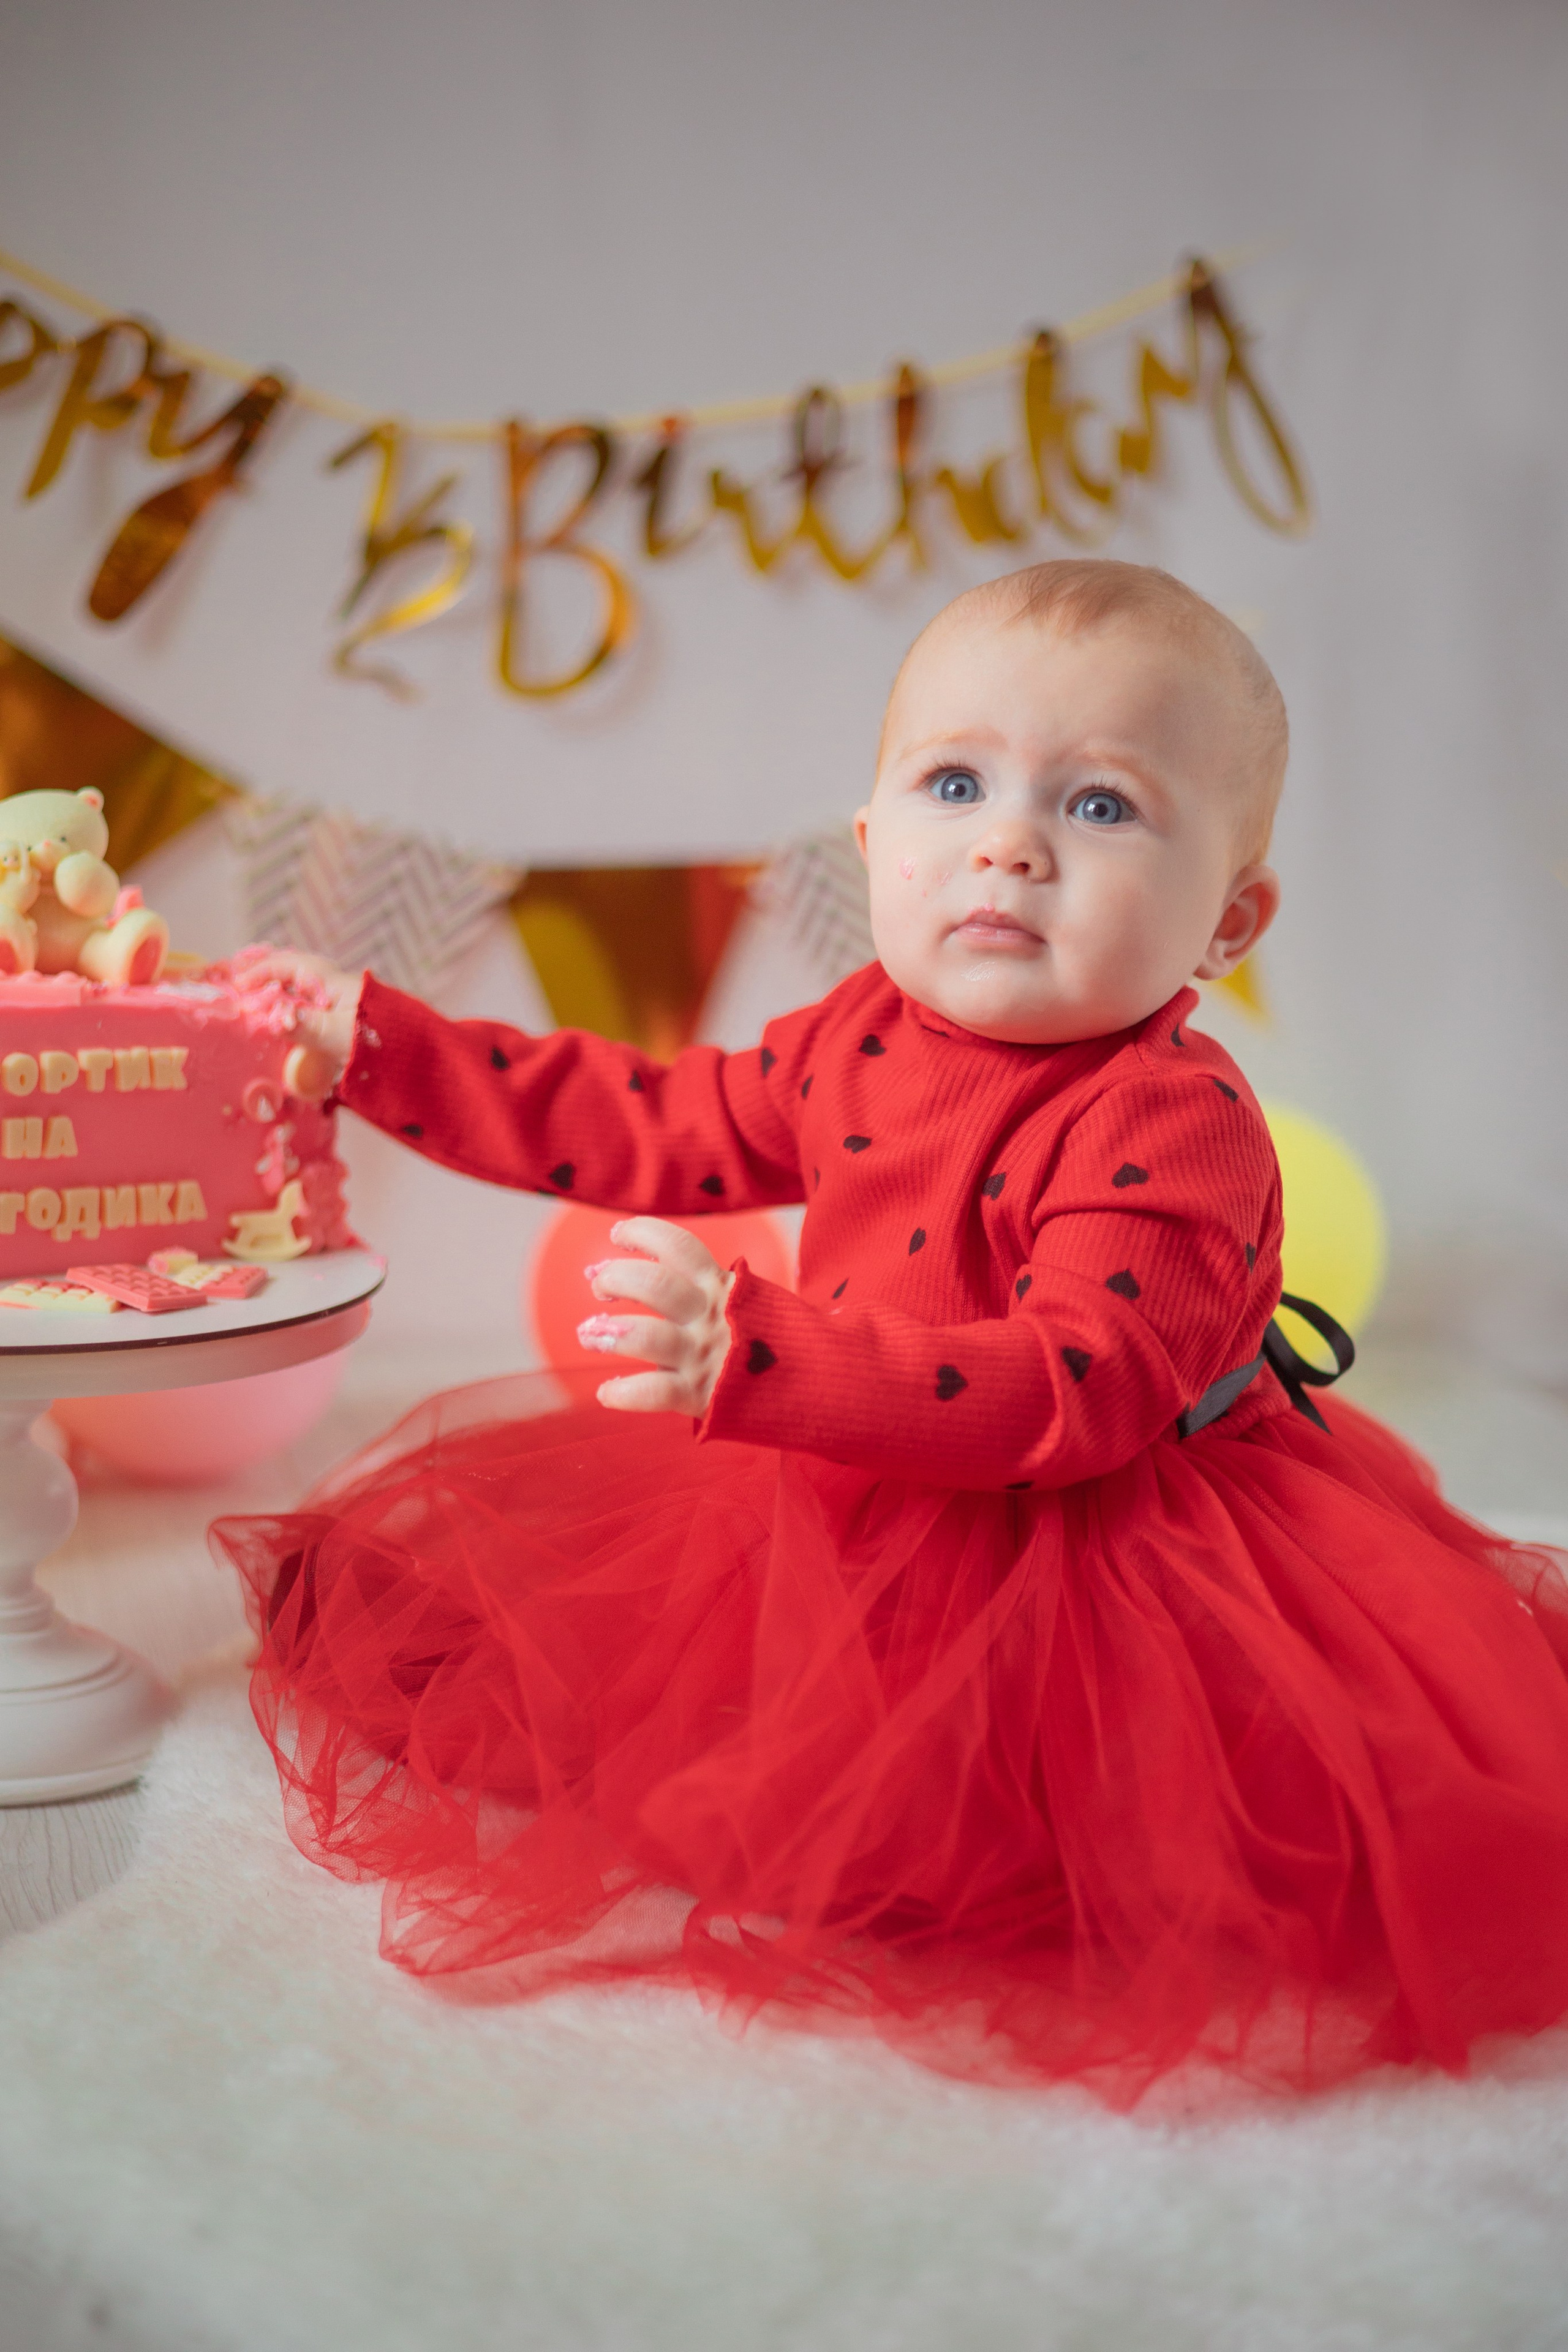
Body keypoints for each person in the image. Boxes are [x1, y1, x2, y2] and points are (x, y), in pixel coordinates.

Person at [214, 559, 1568, 2105]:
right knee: (609, 1689)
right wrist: (379, 1042)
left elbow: (1073, 1388)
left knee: (1061, 1820)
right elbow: (642, 1119)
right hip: (849, 1466)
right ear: (870, 844)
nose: (1008, 843)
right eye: (954, 783)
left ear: (1227, 920)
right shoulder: (860, 1031)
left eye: (1101, 806)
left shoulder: (1166, 1123)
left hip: (1098, 1534)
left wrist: (762, 1359)